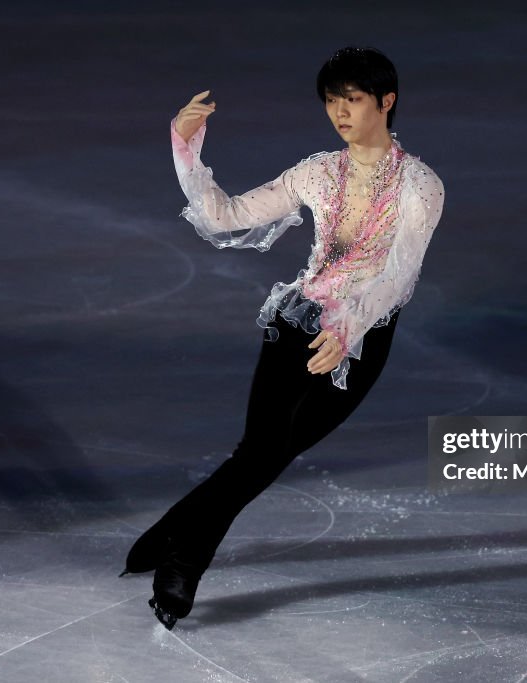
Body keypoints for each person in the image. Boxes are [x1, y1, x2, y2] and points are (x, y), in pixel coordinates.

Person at [122, 46, 444, 630]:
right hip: (297, 322)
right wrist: (185, 148)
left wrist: (351, 328)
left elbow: (400, 272)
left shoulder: (420, 186)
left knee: (268, 454)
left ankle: (168, 536)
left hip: (362, 338)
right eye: (331, 100)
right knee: (261, 452)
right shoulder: (317, 172)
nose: (340, 112)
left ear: (385, 101)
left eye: (353, 98)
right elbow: (225, 216)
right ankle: (181, 564)